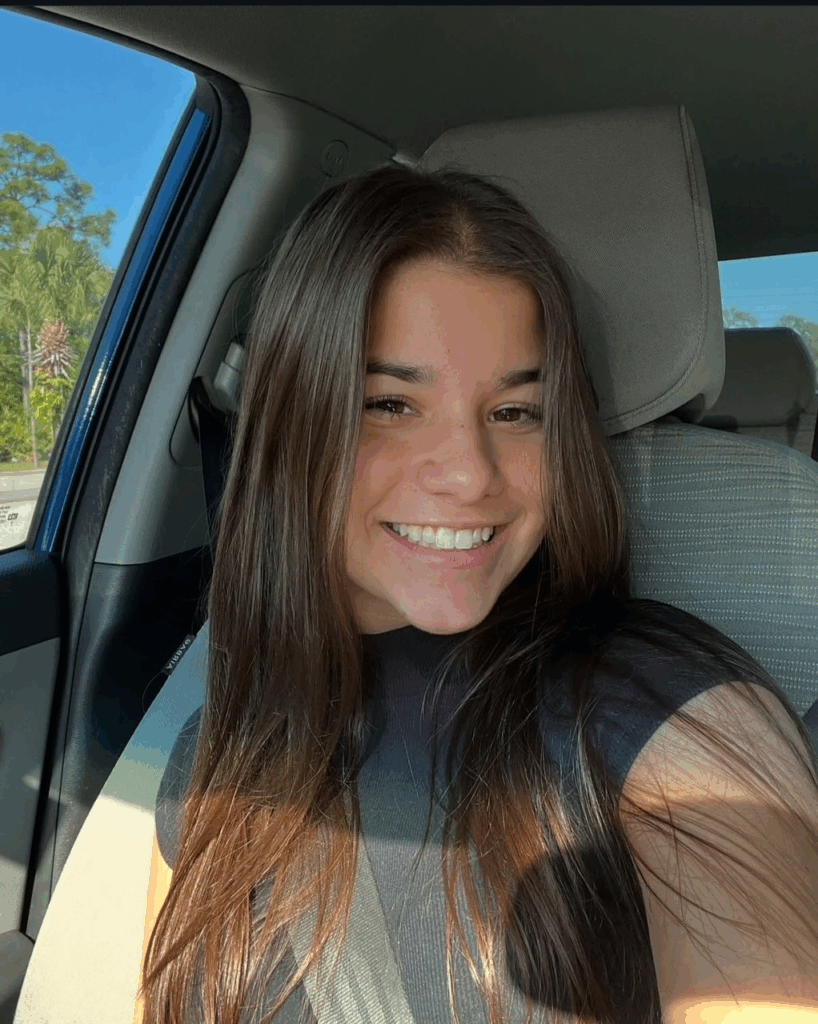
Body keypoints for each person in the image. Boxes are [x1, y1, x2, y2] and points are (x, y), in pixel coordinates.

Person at [137, 164, 818, 1024]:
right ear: (291, 423)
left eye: (514, 413)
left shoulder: (666, 707)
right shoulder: (215, 747)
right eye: (388, 403)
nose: (467, 474)